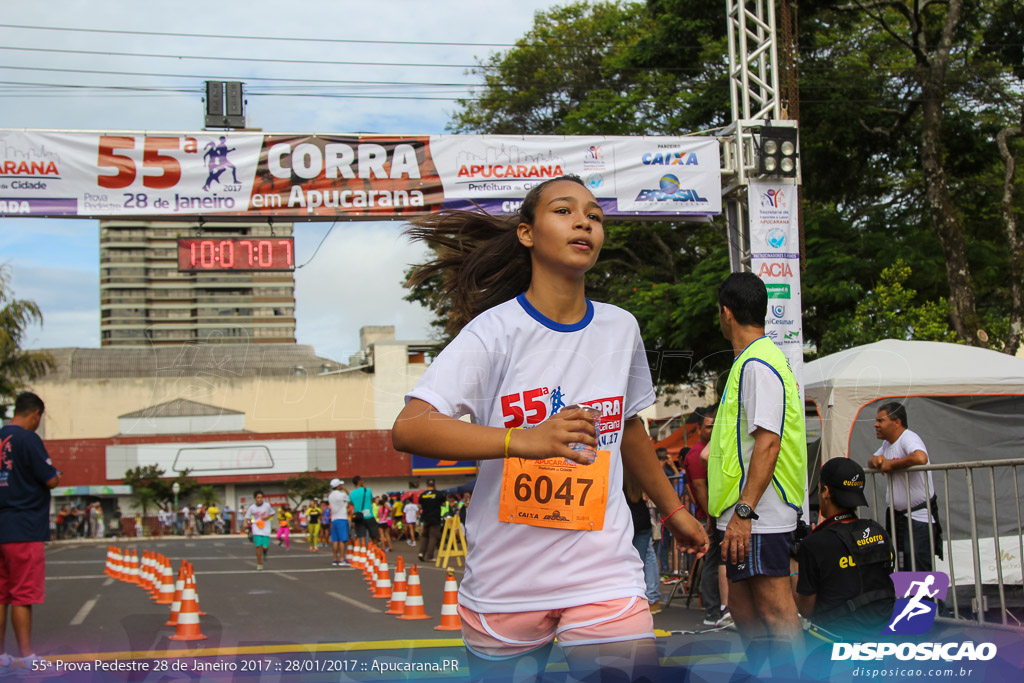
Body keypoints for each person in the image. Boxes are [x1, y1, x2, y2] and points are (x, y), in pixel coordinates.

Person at [392, 176, 707, 679]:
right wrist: (525, 440)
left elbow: (628, 429)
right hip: (506, 577)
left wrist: (672, 512)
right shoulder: (493, 332)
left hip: (601, 568)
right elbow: (410, 428)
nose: (584, 221)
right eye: (564, 210)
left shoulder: (619, 327)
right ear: (526, 233)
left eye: (595, 216)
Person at [707, 272, 806, 653]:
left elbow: (768, 443)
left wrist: (744, 513)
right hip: (743, 511)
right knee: (743, 607)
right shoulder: (753, 362)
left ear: (726, 313)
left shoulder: (758, 366)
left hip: (758, 512)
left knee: (775, 610)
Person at [793, 457, 895, 640]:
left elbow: (805, 609)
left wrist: (794, 564)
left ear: (825, 492)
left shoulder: (815, 543)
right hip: (882, 629)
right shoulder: (878, 531)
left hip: (837, 636)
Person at [0, 392, 60, 674]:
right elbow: (51, 479)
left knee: (0, 595)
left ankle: (1, 658)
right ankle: (25, 656)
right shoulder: (28, 439)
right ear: (35, 413)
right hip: (24, 527)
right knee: (22, 595)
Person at [867, 402, 941, 572]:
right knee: (905, 569)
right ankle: (909, 599)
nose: (875, 424)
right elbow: (871, 460)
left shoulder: (908, 438)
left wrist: (892, 464)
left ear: (896, 422)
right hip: (901, 518)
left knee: (919, 570)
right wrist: (877, 461)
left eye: (880, 420)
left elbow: (920, 457)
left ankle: (932, 600)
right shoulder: (888, 444)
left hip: (918, 518)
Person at [684, 406, 730, 627]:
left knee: (716, 562)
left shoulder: (710, 448)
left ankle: (716, 609)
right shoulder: (697, 454)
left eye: (715, 426)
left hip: (714, 513)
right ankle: (713, 611)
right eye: (708, 426)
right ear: (700, 428)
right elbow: (701, 489)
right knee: (713, 563)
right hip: (709, 515)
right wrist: (711, 515)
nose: (713, 430)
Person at [623, 469, 664, 614]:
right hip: (642, 518)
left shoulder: (619, 470)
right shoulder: (636, 471)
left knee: (630, 562)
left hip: (626, 521)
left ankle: (635, 599)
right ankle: (652, 598)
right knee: (645, 559)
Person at [244, 491, 274, 570]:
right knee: (258, 546)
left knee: (264, 547)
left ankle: (265, 552)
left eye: (261, 497)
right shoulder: (252, 507)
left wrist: (266, 517)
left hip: (266, 528)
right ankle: (259, 563)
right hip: (256, 529)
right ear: (255, 498)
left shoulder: (267, 506)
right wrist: (245, 523)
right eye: (258, 497)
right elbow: (247, 516)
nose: (259, 499)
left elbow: (272, 513)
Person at [416, 479, 443, 563]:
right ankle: (430, 556)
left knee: (425, 536)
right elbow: (444, 504)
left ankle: (421, 553)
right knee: (433, 537)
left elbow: (420, 506)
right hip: (435, 517)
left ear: (427, 485)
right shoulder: (439, 494)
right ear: (434, 484)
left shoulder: (422, 495)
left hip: (425, 517)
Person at [349, 476, 380, 544]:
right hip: (369, 516)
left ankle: (363, 550)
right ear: (359, 481)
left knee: (362, 536)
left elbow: (352, 504)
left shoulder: (351, 494)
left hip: (359, 517)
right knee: (374, 535)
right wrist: (363, 486)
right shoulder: (368, 490)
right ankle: (374, 549)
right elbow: (371, 500)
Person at [327, 479, 351, 566]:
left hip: (334, 519)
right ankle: (342, 559)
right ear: (337, 486)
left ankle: (335, 559)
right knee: (342, 540)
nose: (342, 486)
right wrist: (345, 490)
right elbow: (350, 499)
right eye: (340, 485)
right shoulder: (342, 494)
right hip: (342, 518)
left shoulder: (330, 495)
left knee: (335, 540)